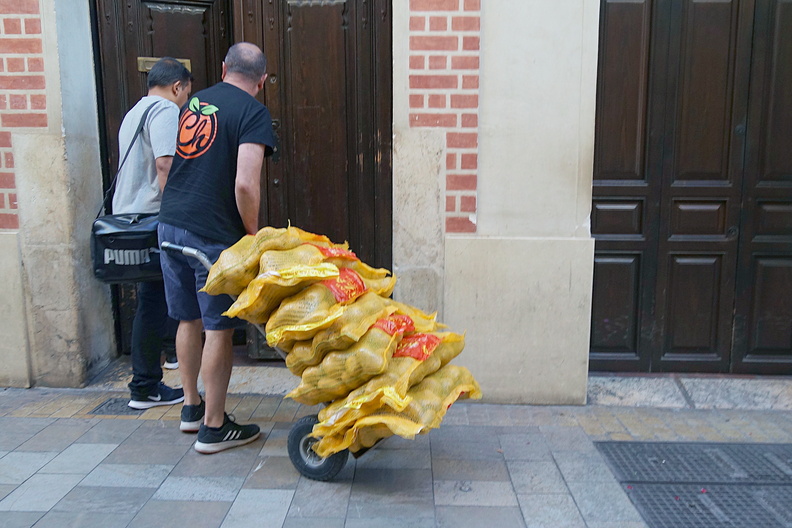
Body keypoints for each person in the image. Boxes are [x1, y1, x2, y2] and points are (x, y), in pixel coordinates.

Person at [158, 42, 276, 454]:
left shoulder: (194, 102)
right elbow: (245, 183)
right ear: (262, 81)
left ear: (224, 68)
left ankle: (192, 407)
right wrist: (253, 234)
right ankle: (214, 426)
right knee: (218, 329)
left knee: (186, 319)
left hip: (170, 224)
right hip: (210, 235)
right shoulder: (253, 113)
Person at [112, 57, 193, 410]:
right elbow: (165, 164)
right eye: (186, 95)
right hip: (151, 216)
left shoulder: (137, 110)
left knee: (156, 295)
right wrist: (179, 212)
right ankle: (145, 385)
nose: (185, 102)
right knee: (155, 298)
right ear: (177, 87)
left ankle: (165, 360)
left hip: (131, 215)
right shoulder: (164, 111)